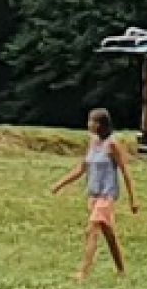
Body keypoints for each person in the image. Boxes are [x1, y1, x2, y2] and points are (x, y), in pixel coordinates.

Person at [54, 106, 140, 278]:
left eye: (92, 121)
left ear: (101, 124)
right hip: (94, 195)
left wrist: (133, 199)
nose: (88, 124)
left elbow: (125, 171)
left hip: (107, 196)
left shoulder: (113, 144)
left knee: (92, 229)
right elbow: (82, 168)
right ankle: (122, 271)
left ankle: (83, 272)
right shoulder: (93, 143)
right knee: (109, 234)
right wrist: (60, 184)